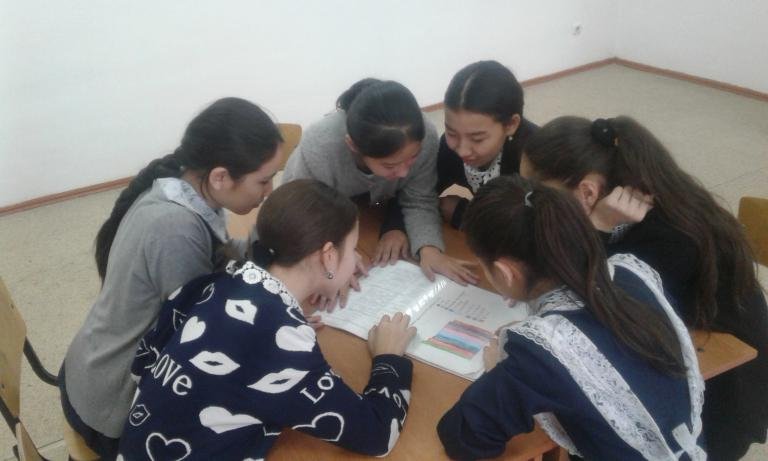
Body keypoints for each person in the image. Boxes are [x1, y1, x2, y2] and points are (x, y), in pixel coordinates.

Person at [520, 116, 768, 460]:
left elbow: (590, 309)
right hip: (680, 348)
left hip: (720, 397)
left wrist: (598, 229)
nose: (530, 204)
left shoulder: (665, 238)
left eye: (537, 195)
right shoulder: (635, 197)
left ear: (588, 192)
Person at [117, 179, 416, 460]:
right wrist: (388, 359)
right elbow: (377, 434)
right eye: (352, 250)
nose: (355, 261)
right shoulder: (284, 342)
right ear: (328, 256)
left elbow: (143, 363)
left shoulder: (216, 282)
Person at [60, 97, 284, 459]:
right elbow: (202, 340)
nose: (269, 190)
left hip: (93, 367)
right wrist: (280, 321)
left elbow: (221, 259)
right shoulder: (175, 230)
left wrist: (270, 245)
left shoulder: (183, 189)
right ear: (220, 177)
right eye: (264, 180)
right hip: (112, 406)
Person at [437, 176, 705, 460]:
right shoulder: (631, 272)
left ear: (506, 273)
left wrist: (498, 368)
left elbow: (464, 436)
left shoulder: (538, 352)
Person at [282, 78, 477, 291]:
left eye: (412, 158)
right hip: (320, 215)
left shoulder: (425, 136)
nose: (404, 173)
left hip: (374, 211)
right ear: (353, 146)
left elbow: (420, 198)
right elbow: (302, 215)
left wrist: (429, 248)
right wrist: (338, 255)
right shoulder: (321, 147)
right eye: (390, 165)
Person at [437, 60, 537, 228]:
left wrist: (463, 213)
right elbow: (421, 192)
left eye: (477, 139)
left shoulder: (535, 157)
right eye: (451, 133)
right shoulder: (449, 147)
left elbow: (538, 227)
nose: (462, 151)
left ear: (511, 125)